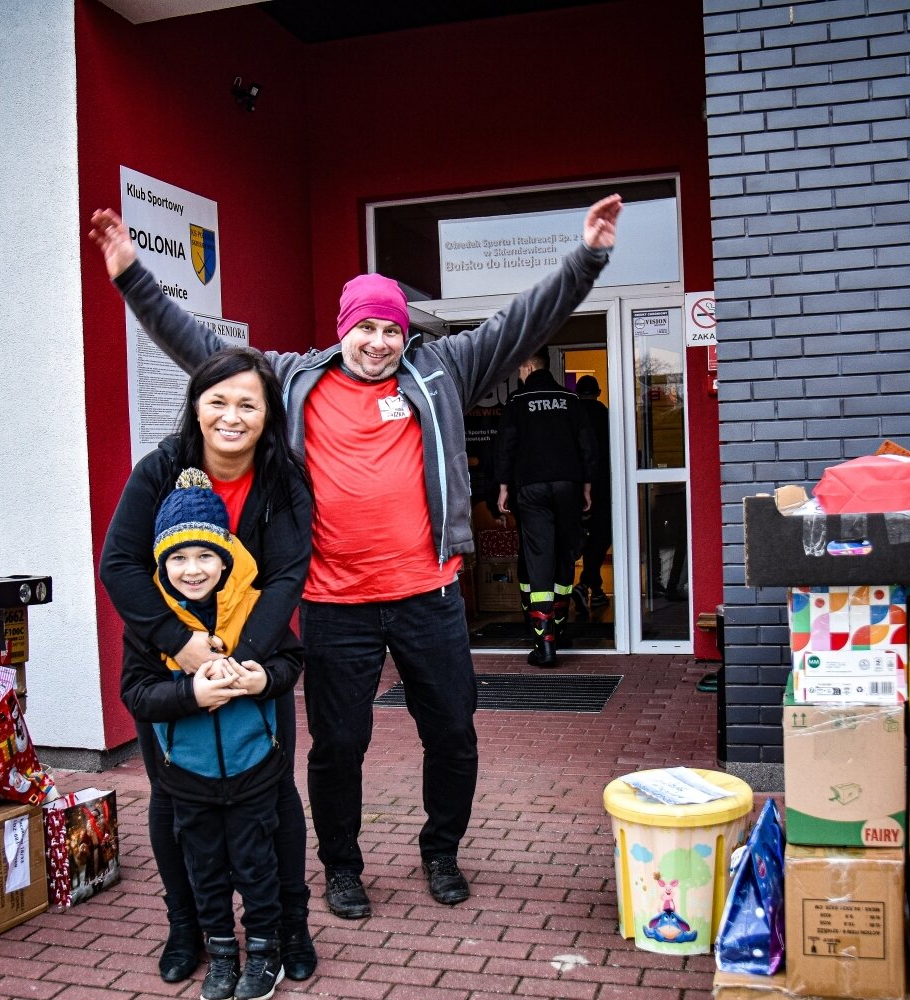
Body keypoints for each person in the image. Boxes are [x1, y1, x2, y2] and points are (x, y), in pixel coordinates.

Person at [89, 193, 620, 918]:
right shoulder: (295, 381)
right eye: (366, 327)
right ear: (344, 330)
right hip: (335, 604)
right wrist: (131, 277)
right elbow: (203, 354)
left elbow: (524, 318)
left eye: (391, 329)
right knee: (338, 748)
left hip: (428, 596)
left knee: (453, 734)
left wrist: (586, 257)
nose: (379, 342)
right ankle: (342, 866)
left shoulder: (443, 371)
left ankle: (441, 851)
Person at [98, 348, 316, 984]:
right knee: (174, 796)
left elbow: (285, 576)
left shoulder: (284, 477)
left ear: (268, 412)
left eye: (248, 403)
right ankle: (186, 927)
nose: (232, 415)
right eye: (218, 400)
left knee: (273, 794)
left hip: (255, 654)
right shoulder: (160, 469)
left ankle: (289, 926)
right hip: (168, 657)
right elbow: (120, 565)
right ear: (196, 405)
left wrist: (242, 664)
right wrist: (180, 642)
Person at [121, 468, 302, 1000]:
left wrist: (262, 679)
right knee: (204, 869)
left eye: (204, 556)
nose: (192, 569)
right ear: (160, 565)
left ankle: (266, 949)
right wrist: (188, 697)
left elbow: (291, 661)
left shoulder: (254, 609)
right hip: (188, 775)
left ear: (226, 559)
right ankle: (221, 952)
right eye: (177, 558)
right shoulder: (153, 623)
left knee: (256, 864)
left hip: (252, 769)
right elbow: (137, 693)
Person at [494, 352, 598, 667]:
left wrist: (502, 486)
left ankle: (545, 642)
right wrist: (587, 485)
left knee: (539, 558)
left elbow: (505, 445)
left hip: (532, 487)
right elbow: (587, 445)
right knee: (565, 553)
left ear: (528, 366)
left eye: (520, 369)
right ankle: (561, 628)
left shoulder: (517, 401)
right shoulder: (570, 399)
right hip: (568, 484)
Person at [572, 375, 612, 611]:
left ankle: (592, 587)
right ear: (597, 392)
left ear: (577, 394)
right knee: (601, 536)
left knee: (582, 538)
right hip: (602, 485)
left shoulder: (572, 414)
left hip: (574, 487)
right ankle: (588, 584)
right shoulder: (605, 415)